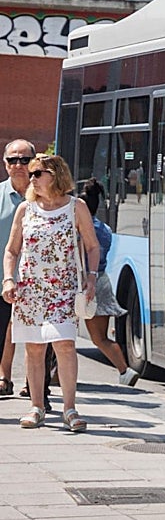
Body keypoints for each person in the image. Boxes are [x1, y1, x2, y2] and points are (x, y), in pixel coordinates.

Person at [2, 154, 101, 432]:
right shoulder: (26, 209)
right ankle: (36, 407)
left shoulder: (75, 207)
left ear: (55, 175)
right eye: (31, 173)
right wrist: (8, 279)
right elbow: (12, 250)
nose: (30, 177)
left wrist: (91, 278)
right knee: (34, 349)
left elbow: (92, 246)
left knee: (65, 346)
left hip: (64, 289)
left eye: (37, 173)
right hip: (30, 290)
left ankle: (70, 409)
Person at [80, 180, 139, 386]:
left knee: (61, 335)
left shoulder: (77, 229)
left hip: (78, 282)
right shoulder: (104, 229)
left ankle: (55, 375)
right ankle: (125, 370)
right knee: (101, 338)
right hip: (100, 282)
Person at [0, 138, 36, 397]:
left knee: (36, 335)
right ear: (5, 164)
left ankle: (32, 384)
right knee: (5, 330)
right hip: (4, 278)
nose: (19, 165)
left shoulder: (48, 196)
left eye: (25, 160)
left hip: (38, 281)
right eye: (13, 159)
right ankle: (3, 377)